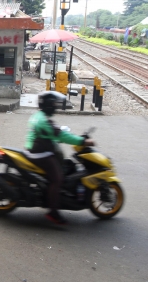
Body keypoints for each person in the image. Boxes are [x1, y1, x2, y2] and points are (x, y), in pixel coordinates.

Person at [25, 91, 95, 225]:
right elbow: (61, 135)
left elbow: (55, 132)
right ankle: (53, 212)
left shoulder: (39, 115)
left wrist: (63, 132)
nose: (55, 106)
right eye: (53, 104)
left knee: (66, 165)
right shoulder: (44, 121)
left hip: (36, 148)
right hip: (40, 153)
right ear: (48, 105)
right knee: (57, 179)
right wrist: (83, 141)